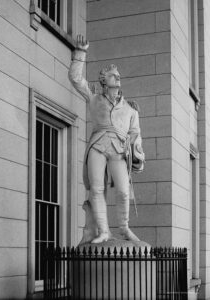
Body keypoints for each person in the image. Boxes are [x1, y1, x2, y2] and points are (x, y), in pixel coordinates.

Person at [68, 35, 145, 244]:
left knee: (122, 190)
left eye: (118, 75)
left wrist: (135, 151)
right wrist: (80, 53)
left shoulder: (130, 108)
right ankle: (103, 231)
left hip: (119, 149)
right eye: (113, 75)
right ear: (104, 81)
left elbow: (135, 133)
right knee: (96, 188)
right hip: (98, 145)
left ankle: (124, 228)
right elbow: (76, 79)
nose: (117, 77)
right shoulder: (94, 95)